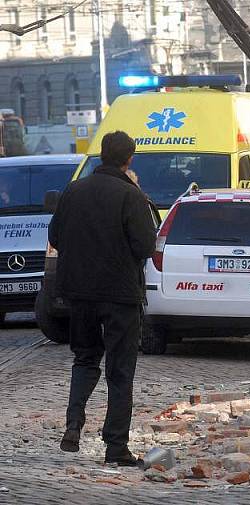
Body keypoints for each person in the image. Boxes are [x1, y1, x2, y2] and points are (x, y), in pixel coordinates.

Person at [49, 131, 156, 466]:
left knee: (84, 358)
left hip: (79, 293)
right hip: (120, 295)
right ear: (130, 159)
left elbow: (56, 236)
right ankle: (115, 446)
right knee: (120, 371)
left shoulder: (73, 191)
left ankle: (73, 425)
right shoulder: (130, 195)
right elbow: (144, 246)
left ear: (100, 156)